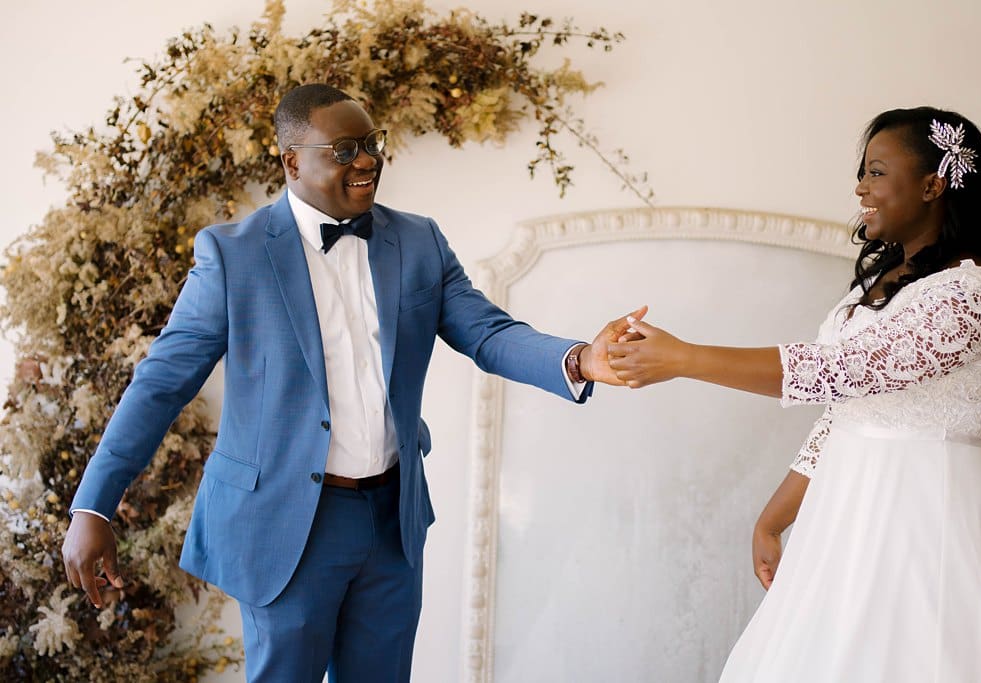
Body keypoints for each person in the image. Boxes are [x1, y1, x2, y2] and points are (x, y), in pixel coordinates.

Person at [62, 83, 642, 683]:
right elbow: (161, 384)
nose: (366, 160)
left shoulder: (418, 241)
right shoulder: (233, 256)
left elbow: (488, 333)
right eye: (344, 149)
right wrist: (93, 505)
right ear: (292, 162)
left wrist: (580, 360)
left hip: (392, 520)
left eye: (371, 144)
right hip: (285, 525)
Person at [607, 106, 981, 682]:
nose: (860, 188)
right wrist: (774, 518)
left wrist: (686, 358)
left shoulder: (975, 293)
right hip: (845, 504)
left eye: (876, 171)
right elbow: (845, 412)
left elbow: (841, 370)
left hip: (924, 508)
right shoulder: (880, 284)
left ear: (933, 185)